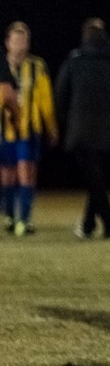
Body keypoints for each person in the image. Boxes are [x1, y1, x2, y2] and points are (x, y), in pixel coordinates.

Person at [54, 18, 110, 239]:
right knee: (96, 177)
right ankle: (96, 224)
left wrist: (67, 120)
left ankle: (104, 223)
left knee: (93, 178)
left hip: (79, 130)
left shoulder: (74, 60)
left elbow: (60, 95)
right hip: (108, 131)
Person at [2, 22, 58, 236]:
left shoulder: (37, 66)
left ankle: (23, 220)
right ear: (7, 42)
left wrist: (51, 126)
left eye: (24, 40)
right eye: (16, 40)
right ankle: (9, 215)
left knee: (26, 173)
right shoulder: (2, 65)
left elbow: (46, 99)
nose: (20, 45)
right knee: (7, 175)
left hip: (29, 130)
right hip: (4, 130)